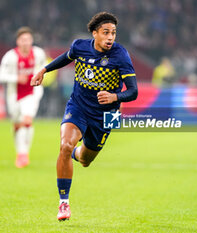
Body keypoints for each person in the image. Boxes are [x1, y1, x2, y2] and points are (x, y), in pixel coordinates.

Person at [31, 12, 138, 221]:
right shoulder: (80, 46)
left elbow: (133, 91)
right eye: (106, 33)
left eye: (114, 33)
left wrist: (114, 96)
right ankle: (64, 204)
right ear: (95, 33)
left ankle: (76, 153)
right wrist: (43, 69)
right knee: (65, 145)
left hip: (107, 115)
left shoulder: (121, 54)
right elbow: (65, 58)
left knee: (85, 160)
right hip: (78, 106)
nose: (110, 37)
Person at [0, 27, 46, 168]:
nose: (26, 42)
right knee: (17, 124)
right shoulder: (10, 56)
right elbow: (1, 76)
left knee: (27, 119)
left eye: (28, 39)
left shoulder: (38, 53)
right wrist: (16, 78)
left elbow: (45, 68)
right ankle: (20, 152)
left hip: (33, 93)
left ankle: (24, 154)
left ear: (32, 40)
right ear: (18, 41)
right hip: (14, 95)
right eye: (23, 40)